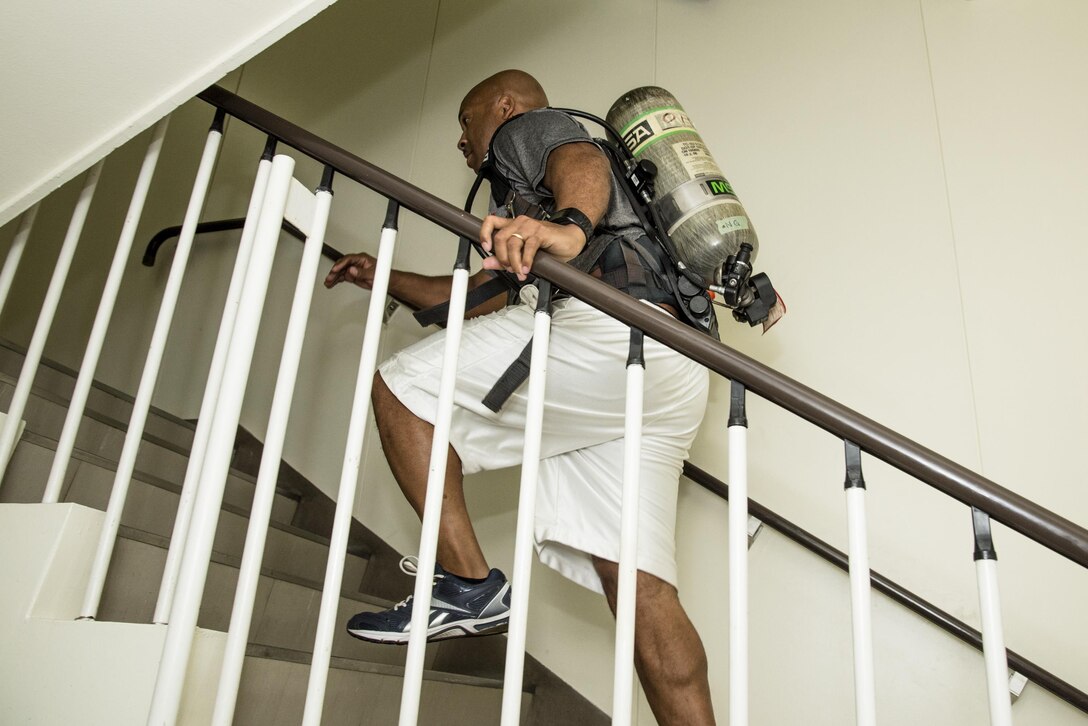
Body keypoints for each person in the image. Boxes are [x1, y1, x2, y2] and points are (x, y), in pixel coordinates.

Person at [324, 69, 715, 725]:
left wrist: (567, 225)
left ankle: (468, 586)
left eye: (464, 120)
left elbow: (578, 157)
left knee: (404, 385)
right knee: (639, 582)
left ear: (501, 107)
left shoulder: (527, 131)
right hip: (667, 365)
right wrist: (383, 277)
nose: (461, 140)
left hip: (610, 337)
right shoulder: (532, 210)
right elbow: (485, 300)